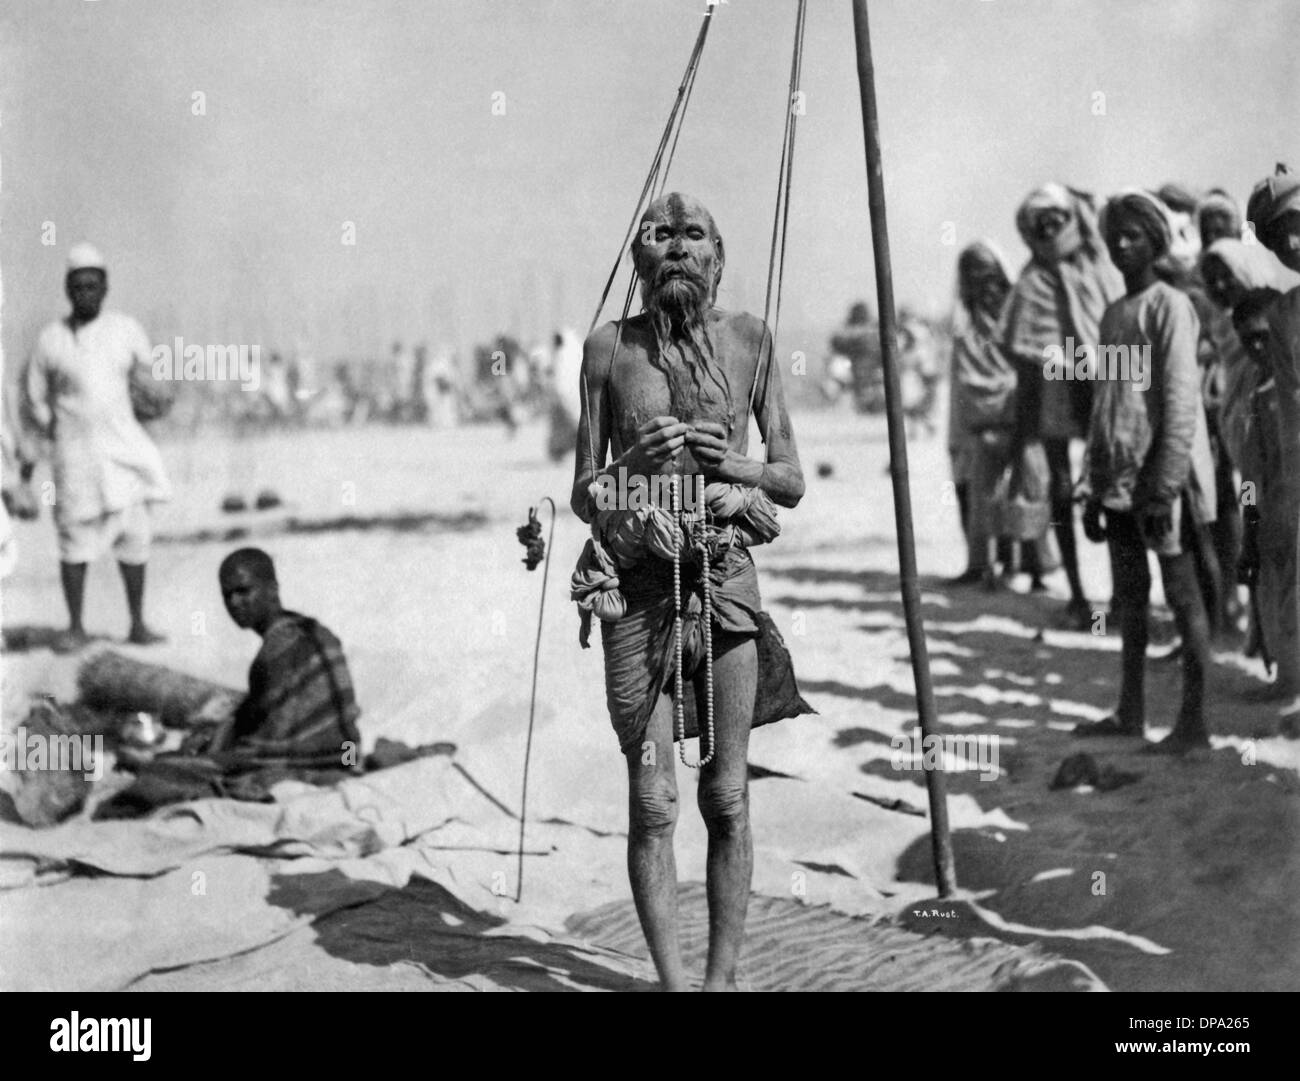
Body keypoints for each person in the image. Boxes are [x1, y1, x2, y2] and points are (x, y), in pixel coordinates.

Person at [570, 193, 809, 991]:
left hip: (727, 579)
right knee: (654, 800)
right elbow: (583, 490)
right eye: (660, 235)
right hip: (637, 590)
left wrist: (740, 477)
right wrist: (634, 468)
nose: (676, 247)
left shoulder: (749, 340)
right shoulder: (609, 348)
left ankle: (721, 980)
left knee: (729, 794)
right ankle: (675, 986)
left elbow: (791, 477)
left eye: (693, 235)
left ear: (717, 256)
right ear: (641, 257)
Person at [1077, 191, 1216, 752]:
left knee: (1183, 598)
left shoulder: (1170, 306)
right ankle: (1130, 712)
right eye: (1115, 235)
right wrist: (1091, 484)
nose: (1121, 243)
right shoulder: (1114, 314)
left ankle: (1194, 722)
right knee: (1129, 601)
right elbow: (1108, 404)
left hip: (1162, 483)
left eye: (1134, 235)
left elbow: (1181, 404)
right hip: (1117, 483)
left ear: (1157, 242)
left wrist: (1163, 486)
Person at [21, 243, 172, 652]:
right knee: (74, 538)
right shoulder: (50, 339)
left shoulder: (126, 330)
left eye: (92, 285)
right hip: (74, 458)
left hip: (124, 452)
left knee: (134, 535)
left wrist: (156, 396)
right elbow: (33, 398)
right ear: (67, 289)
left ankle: (138, 623)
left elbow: (153, 382)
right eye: (77, 286)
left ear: (105, 288)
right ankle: (75, 626)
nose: (85, 292)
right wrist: (45, 436)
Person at [1001, 184, 1126, 627]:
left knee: (1114, 487)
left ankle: (1124, 596)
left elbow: (1119, 330)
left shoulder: (1100, 266)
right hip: (1056, 388)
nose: (1052, 230)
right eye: (1043, 224)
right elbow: (1023, 351)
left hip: (1106, 380)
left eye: (1058, 220)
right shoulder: (1032, 281)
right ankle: (1076, 594)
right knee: (1059, 490)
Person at [1247, 163, 1300, 724]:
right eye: (1275, 237)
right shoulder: (1286, 314)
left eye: (1295, 222)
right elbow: (1291, 408)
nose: (1290, 242)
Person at [1233, 289, 1296, 702]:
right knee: (1279, 606)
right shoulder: (1257, 396)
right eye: (1248, 340)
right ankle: (1288, 682)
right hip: (1275, 520)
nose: (1257, 347)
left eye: (1264, 336)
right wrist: (1250, 537)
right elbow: (1252, 477)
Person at [947, 241, 1017, 586]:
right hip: (966, 417)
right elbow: (964, 373)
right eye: (974, 277)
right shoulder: (964, 322)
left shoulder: (1017, 314)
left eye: (989, 278)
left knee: (1011, 491)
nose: (984, 287)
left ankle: (1011, 564)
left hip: (1011, 413)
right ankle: (978, 564)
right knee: (967, 486)